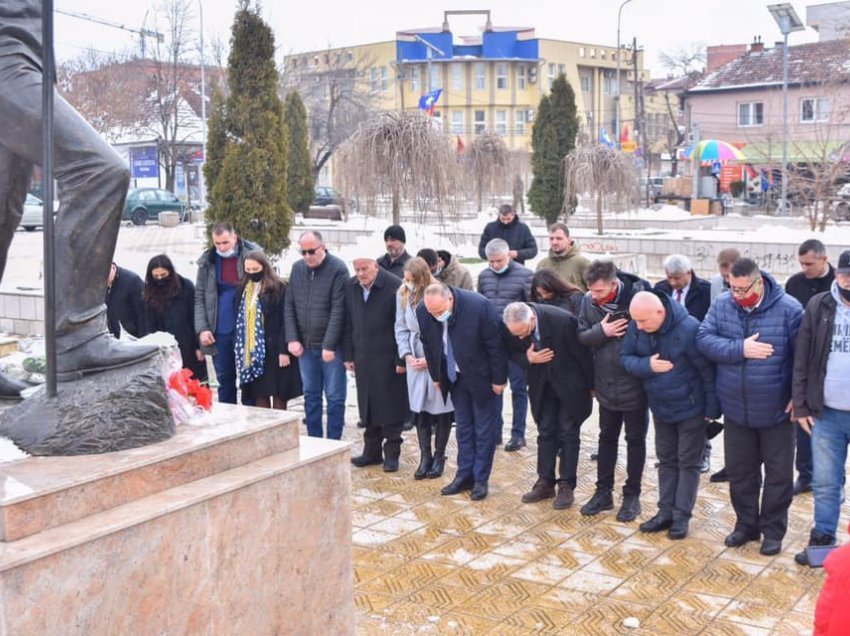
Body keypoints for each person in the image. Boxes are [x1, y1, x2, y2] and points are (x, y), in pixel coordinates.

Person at [0, 1, 157, 397]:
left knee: (2, 214)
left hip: (28, 61)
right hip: (8, 62)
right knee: (100, 173)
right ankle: (76, 336)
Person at [697, 258, 803, 556]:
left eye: (743, 290)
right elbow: (703, 339)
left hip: (777, 410)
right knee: (741, 473)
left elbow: (803, 359)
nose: (738, 295)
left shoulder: (790, 309)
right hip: (735, 408)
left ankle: (772, 530)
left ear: (759, 282)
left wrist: (800, 395)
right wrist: (739, 349)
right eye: (733, 288)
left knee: (779, 475)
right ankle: (746, 525)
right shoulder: (722, 305)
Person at [621, 292, 720, 540]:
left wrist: (711, 411)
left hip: (691, 409)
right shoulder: (637, 325)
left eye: (643, 321)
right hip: (660, 407)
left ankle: (681, 516)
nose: (639, 327)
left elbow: (707, 371)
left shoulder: (689, 328)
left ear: (660, 312)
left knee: (688, 463)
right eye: (637, 322)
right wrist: (647, 366)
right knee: (666, 460)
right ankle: (664, 512)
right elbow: (625, 358)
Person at [417, 283, 508, 501]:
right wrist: (436, 376)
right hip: (454, 378)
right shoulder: (424, 310)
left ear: (450, 299)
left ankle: (480, 479)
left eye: (439, 311)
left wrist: (498, 379)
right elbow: (429, 345)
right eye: (432, 313)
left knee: (484, 430)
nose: (436, 316)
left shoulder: (478, 306)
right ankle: (464, 475)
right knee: (464, 428)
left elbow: (496, 345)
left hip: (483, 378)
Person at [577, 260, 651, 522]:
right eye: (591, 291)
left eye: (599, 292)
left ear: (614, 283)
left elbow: (653, 336)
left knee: (635, 441)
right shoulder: (588, 302)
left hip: (635, 385)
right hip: (605, 383)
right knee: (606, 438)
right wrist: (602, 331)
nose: (594, 297)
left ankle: (632, 495)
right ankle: (603, 492)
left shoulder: (639, 298)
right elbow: (582, 336)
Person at [503, 302, 593, 509]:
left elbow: (584, 356)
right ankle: (545, 481)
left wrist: (591, 386)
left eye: (523, 333)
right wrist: (527, 357)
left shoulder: (563, 321)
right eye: (515, 334)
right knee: (545, 432)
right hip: (541, 385)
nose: (519, 338)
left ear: (532, 320)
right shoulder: (512, 326)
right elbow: (509, 351)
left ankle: (567, 485)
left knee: (568, 433)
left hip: (571, 385)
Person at [791, 250, 850, 566]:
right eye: (844, 275)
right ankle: (823, 540)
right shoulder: (820, 306)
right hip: (826, 414)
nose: (847, 281)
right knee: (826, 483)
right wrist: (801, 405)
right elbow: (802, 358)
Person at [344, 258, 408, 471]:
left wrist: (401, 358)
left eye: (365, 269)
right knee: (368, 406)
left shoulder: (393, 286)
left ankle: (392, 455)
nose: (361, 274)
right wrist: (348, 355)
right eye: (357, 269)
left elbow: (403, 325)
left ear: (376, 267)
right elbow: (347, 322)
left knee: (390, 407)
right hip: (363, 356)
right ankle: (371, 452)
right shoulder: (352, 286)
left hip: (389, 358)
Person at [285, 231, 349, 439]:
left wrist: (329, 345)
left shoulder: (338, 269)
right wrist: (292, 338)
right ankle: (314, 440)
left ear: (323, 247)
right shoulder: (297, 269)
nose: (307, 256)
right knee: (311, 397)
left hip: (331, 348)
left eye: (311, 251)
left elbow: (339, 310)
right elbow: (290, 305)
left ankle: (333, 442)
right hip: (305, 346)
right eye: (303, 252)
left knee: (334, 397)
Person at [653, 254, 713, 473]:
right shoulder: (659, 290)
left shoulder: (704, 291)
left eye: (677, 278)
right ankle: (671, 455)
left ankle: (702, 452)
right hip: (667, 358)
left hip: (696, 355)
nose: (673, 283)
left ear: (688, 273)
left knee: (698, 412)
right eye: (670, 278)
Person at [395, 258, 454, 479]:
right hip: (414, 354)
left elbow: (448, 330)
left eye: (411, 280)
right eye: (405, 279)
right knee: (419, 408)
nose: (406, 282)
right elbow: (400, 327)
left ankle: (439, 457)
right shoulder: (402, 293)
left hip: (436, 354)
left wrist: (432, 360)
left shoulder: (438, 292)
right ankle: (424, 456)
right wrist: (407, 355)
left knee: (441, 407)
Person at [786, 238, 836, 497]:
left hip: (832, 367)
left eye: (810, 263)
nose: (805, 268)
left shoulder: (839, 285)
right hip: (803, 362)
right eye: (801, 263)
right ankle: (805, 476)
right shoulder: (794, 284)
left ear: (824, 259)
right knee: (803, 426)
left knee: (830, 430)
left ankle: (831, 481)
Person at [477, 238, 534, 451]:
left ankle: (518, 434)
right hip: (493, 343)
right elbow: (481, 306)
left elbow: (532, 309)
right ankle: (495, 431)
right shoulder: (484, 276)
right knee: (495, 388)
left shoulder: (525, 276)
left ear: (508, 255)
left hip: (517, 343)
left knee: (519, 388)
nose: (495, 265)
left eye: (499, 260)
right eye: (491, 261)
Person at [194, 223, 260, 404]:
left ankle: (251, 420)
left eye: (225, 242)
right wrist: (203, 329)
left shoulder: (253, 255)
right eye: (218, 244)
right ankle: (229, 421)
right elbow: (200, 296)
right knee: (225, 380)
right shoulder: (208, 262)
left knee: (249, 381)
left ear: (234, 237)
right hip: (220, 328)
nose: (222, 247)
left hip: (247, 328)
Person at [235, 251, 302, 410]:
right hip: (254, 352)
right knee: (260, 393)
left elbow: (286, 319)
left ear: (264, 267)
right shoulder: (244, 289)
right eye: (248, 270)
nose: (251, 273)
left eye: (255, 269)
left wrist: (284, 350)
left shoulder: (279, 288)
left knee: (279, 393)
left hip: (275, 348)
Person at [143, 255, 207, 382]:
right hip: (164, 348)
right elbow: (149, 323)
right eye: (156, 276)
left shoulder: (186, 287)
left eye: (163, 275)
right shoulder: (150, 291)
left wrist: (199, 347)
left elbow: (196, 316)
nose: (160, 279)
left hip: (188, 345)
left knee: (195, 383)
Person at [708, 246, 741, 484]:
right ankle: (731, 465)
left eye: (730, 271)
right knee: (729, 418)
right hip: (722, 356)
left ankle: (745, 467)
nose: (726, 277)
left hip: (745, 355)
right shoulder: (715, 284)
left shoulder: (754, 283)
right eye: (723, 270)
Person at [536, 223, 591, 291]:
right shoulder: (542, 264)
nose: (554, 242)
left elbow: (593, 293)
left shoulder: (582, 263)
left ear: (569, 240)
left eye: (559, 238)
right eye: (551, 239)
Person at [106, 263, 147, 339]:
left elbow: (145, 315)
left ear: (112, 267)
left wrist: (143, 342)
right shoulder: (98, 285)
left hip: (134, 337)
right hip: (112, 338)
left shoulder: (133, 281)